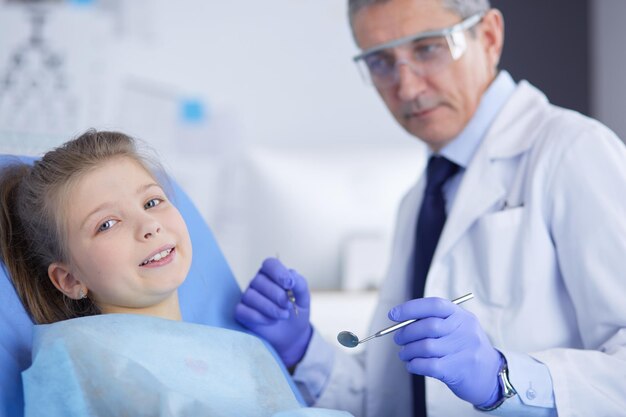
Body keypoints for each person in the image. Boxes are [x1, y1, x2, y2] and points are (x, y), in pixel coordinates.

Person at [234, 0, 626, 416]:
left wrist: (502, 377)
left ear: (489, 37)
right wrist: (300, 348)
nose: (406, 88)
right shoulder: (423, 195)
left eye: (427, 48)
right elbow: (392, 398)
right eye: (381, 61)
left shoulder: (572, 150)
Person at [0, 130, 351, 417]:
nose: (148, 225)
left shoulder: (245, 352)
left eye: (152, 202)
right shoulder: (72, 356)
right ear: (70, 280)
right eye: (107, 224)